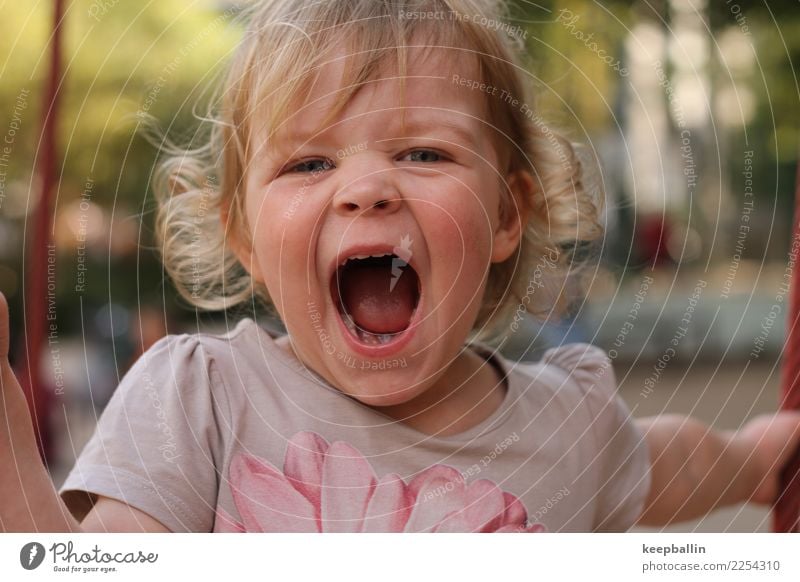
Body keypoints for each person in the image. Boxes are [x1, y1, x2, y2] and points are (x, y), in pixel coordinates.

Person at [2, 0, 800, 533]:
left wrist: (766, 454)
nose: (366, 189)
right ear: (242, 233)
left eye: (423, 152)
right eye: (309, 164)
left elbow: (677, 461)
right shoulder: (200, 402)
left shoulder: (573, 424)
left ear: (507, 215)